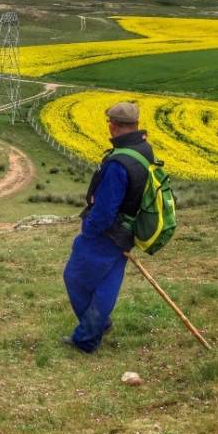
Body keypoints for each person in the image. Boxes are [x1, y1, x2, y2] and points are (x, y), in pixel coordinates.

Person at [62, 102, 154, 353]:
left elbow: (104, 211)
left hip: (106, 233)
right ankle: (95, 327)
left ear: (113, 125)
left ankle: (89, 335)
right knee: (107, 283)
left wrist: (89, 230)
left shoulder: (118, 163)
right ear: (135, 124)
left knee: (74, 277)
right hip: (127, 231)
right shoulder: (144, 149)